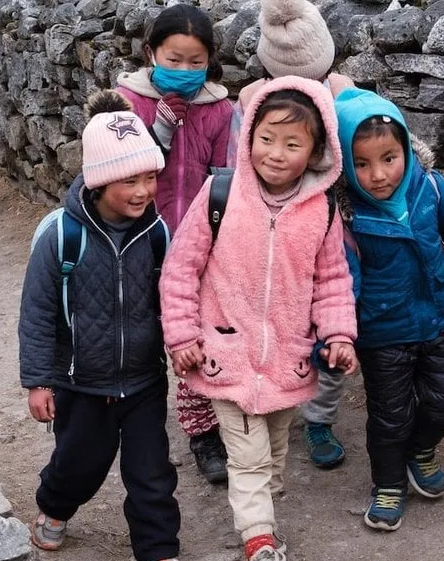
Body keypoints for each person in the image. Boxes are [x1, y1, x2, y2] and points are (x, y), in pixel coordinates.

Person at [160, 76, 358, 561]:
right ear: (248, 135)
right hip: (227, 354)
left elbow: (331, 281)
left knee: (272, 459)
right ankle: (259, 541)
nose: (275, 152)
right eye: (266, 138)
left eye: (293, 143)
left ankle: (262, 515)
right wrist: (183, 333)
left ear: (316, 152)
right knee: (247, 461)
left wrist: (338, 334)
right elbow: (181, 268)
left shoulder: (322, 211)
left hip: (289, 360)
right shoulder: (219, 194)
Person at [18, 90, 181, 561]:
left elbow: (169, 301)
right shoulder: (60, 236)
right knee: (79, 464)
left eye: (150, 177)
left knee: (152, 474)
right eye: (129, 179)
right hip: (80, 382)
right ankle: (54, 505)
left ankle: (158, 549)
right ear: (98, 179)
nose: (142, 191)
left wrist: (183, 348)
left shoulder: (157, 234)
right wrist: (37, 381)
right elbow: (37, 312)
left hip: (144, 381)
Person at [332, 86, 444, 531]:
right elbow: (341, 281)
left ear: (405, 148)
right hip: (382, 333)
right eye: (362, 164)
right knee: (391, 415)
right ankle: (387, 484)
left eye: (389, 158)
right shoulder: (345, 216)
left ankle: (421, 451)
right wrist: (337, 335)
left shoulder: (432, 189)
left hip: (439, 318)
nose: (379, 175)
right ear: (345, 164)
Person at [224, 0, 355, 470]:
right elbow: (236, 168)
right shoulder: (252, 104)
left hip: (330, 229)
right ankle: (268, 394)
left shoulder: (344, 94)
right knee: (276, 320)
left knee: (332, 324)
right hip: (266, 235)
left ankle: (319, 416)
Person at [114, 3, 235, 484]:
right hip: (139, 236)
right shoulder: (126, 103)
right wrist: (159, 131)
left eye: (195, 62)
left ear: (210, 60)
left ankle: (202, 431)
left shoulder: (220, 110)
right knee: (146, 331)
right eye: (173, 59)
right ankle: (135, 412)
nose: (184, 71)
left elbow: (226, 174)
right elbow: (117, 171)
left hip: (201, 240)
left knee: (196, 335)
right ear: (150, 53)